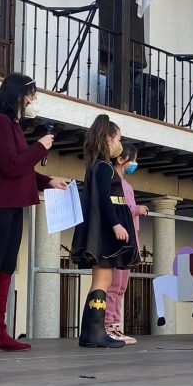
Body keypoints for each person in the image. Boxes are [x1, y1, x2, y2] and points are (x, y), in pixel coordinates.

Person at [0, 73, 69, 354]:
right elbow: (11, 166)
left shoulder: (12, 126)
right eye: (31, 94)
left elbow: (20, 168)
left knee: (6, 267)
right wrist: (40, 147)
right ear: (19, 95)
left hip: (9, 204)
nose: (34, 100)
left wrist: (48, 181)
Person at [71, 114, 140, 348]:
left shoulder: (98, 165)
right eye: (118, 139)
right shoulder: (102, 166)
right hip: (105, 230)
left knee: (104, 279)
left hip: (103, 228)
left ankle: (91, 332)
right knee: (102, 280)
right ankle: (95, 332)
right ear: (109, 140)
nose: (120, 143)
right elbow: (103, 198)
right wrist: (116, 224)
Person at [104, 144, 148, 345]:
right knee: (114, 285)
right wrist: (137, 210)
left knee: (121, 286)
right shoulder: (114, 182)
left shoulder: (127, 185)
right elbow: (118, 209)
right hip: (119, 240)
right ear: (121, 160)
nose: (135, 164)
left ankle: (115, 324)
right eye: (133, 160)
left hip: (131, 238)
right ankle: (108, 325)